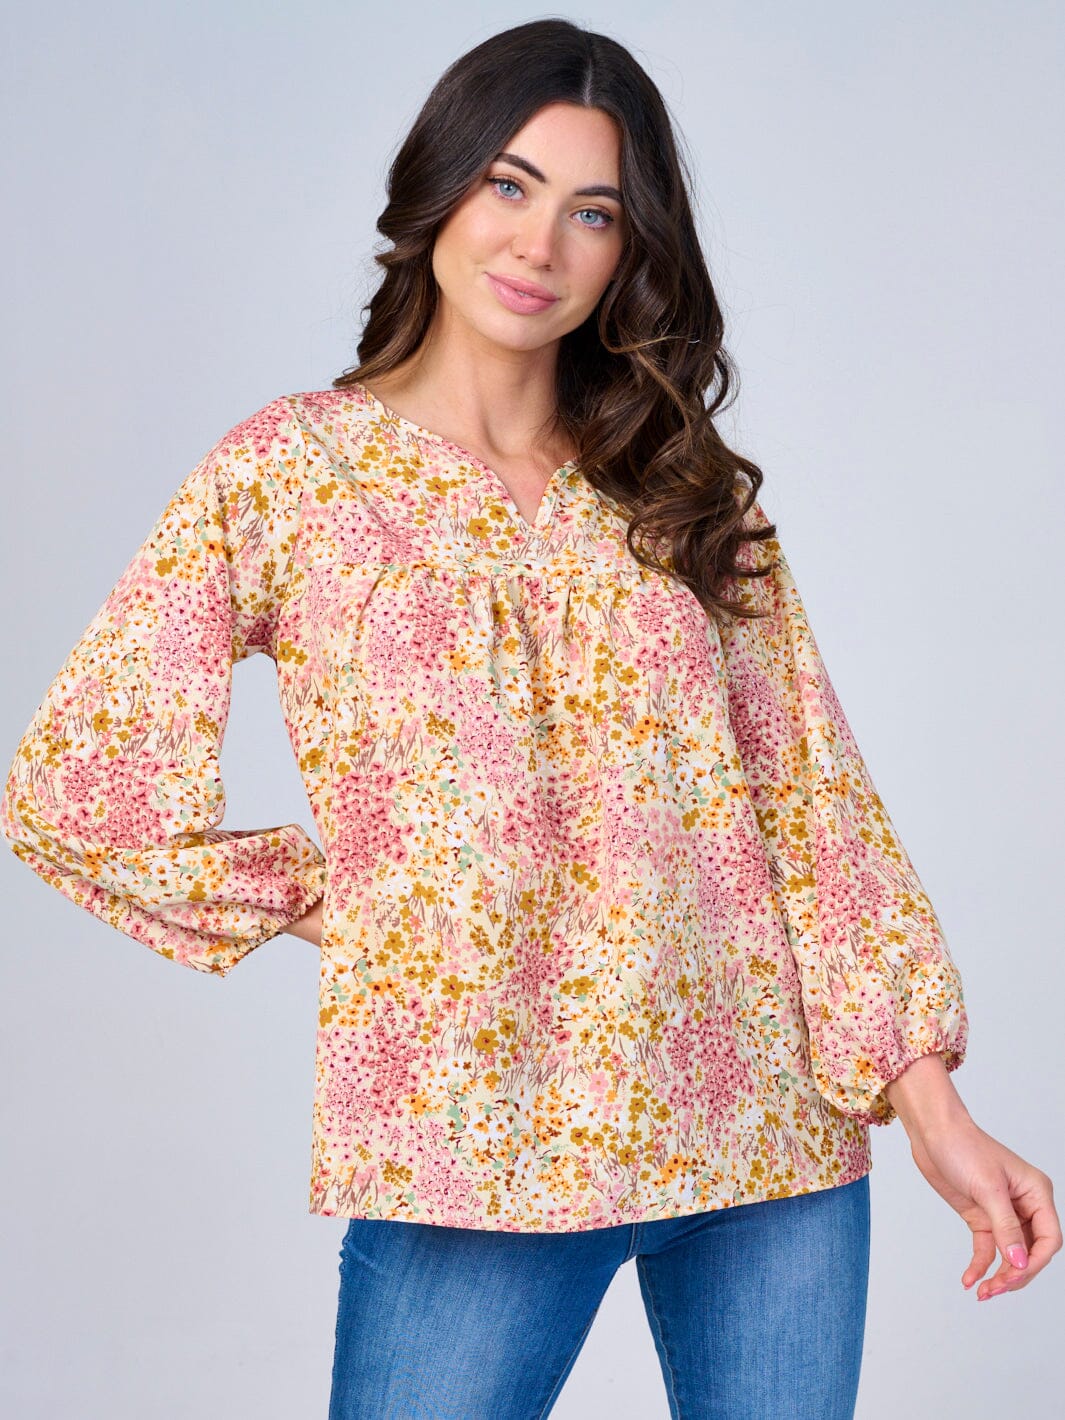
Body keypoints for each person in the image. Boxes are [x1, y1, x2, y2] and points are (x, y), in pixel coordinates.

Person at [2, 17, 1059, 1420]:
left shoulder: (680, 486)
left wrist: (935, 1110)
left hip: (768, 1140)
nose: (539, 244)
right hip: (474, 1140)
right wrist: (347, 899)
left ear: (630, 250)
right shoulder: (292, 473)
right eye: (509, 185)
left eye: (592, 212)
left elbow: (813, 808)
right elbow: (77, 789)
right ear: (439, 187)